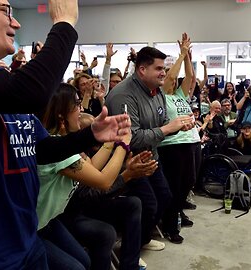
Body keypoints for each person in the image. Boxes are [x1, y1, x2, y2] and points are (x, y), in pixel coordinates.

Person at [0, 1, 131, 269]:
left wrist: (91, 136)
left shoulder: (2, 90)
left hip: (25, 238)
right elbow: (31, 92)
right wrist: (64, 23)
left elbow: (43, 150)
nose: (16, 23)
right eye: (7, 11)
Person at [38, 83, 154, 270]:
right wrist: (123, 145)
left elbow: (92, 166)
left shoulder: (62, 145)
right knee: (77, 267)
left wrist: (109, 140)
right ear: (61, 114)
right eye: (76, 104)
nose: (81, 108)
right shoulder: (55, 148)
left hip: (49, 221)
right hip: (35, 227)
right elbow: (103, 181)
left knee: (84, 261)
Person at [105, 46, 195, 251]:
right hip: (130, 162)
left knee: (164, 198)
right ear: (142, 70)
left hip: (151, 157)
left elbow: (163, 122)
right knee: (148, 204)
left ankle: (143, 239)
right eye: (159, 68)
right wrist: (167, 129)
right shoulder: (123, 95)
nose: (164, 73)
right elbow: (132, 138)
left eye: (164, 68)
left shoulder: (157, 91)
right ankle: (130, 248)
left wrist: (178, 127)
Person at [158, 33, 201, 244]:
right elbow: (168, 79)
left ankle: (177, 212)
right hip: (172, 145)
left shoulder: (179, 96)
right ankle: (169, 225)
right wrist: (181, 53)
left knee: (189, 182)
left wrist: (187, 58)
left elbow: (190, 78)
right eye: (171, 79)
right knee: (175, 186)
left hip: (190, 141)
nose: (174, 81)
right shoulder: (160, 96)